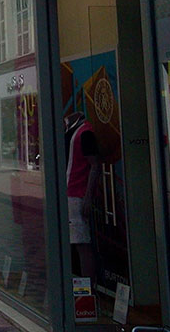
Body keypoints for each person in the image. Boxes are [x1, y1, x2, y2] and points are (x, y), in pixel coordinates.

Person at [64, 112, 100, 286]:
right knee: (74, 242)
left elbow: (94, 165)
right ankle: (80, 287)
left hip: (76, 194)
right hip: (68, 193)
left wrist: (87, 197)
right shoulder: (70, 130)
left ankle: (87, 291)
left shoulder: (84, 132)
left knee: (81, 243)